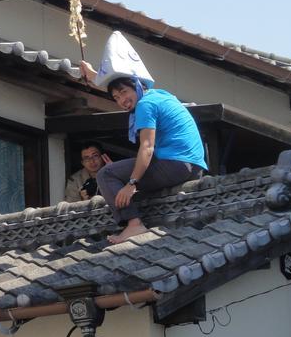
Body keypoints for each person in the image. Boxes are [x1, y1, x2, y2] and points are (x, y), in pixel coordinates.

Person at [80, 57, 207, 244]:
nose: (122, 101)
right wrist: (91, 75)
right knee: (124, 179)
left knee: (106, 175)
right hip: (191, 165)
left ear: (137, 86)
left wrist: (131, 183)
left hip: (176, 164)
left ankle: (134, 225)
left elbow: (147, 147)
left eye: (124, 93)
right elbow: (120, 84)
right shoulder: (159, 95)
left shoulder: (145, 105)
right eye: (116, 98)